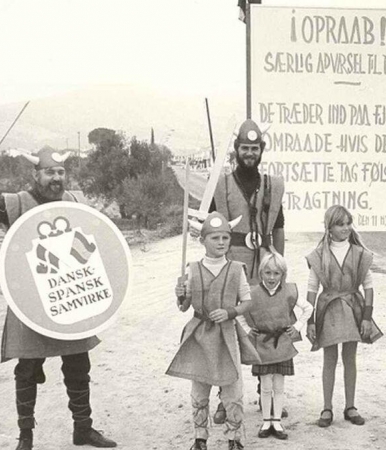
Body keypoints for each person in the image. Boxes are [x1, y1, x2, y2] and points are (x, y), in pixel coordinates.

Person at [0, 148, 117, 450]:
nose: (56, 178)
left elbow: (97, 244)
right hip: (29, 300)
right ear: (36, 174)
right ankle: (26, 437)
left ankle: (83, 429)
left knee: (78, 365)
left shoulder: (76, 203)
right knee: (28, 369)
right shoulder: (16, 203)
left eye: (60, 172)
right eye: (49, 172)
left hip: (69, 296)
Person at [211, 118, 286, 423]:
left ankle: (266, 395)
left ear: (261, 150)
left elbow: (278, 226)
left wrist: (279, 265)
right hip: (233, 264)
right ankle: (223, 399)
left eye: (255, 148)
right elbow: (215, 230)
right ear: (237, 150)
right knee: (227, 332)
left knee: (265, 328)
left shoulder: (273, 185)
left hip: (265, 263)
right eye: (245, 147)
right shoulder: (223, 184)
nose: (250, 153)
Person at [167, 211, 260, 450]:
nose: (221, 243)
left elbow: (247, 302)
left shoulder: (236, 269)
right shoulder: (193, 269)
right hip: (199, 334)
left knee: (232, 389)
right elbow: (184, 306)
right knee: (200, 387)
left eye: (225, 238)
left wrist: (230, 312)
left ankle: (234, 438)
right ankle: (200, 437)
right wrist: (180, 296)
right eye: (215, 238)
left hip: (226, 334)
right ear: (202, 240)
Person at [305, 205, 383, 428]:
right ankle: (327, 407)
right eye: (340, 224)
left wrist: (367, 317)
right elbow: (311, 288)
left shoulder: (360, 253)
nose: (346, 228)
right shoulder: (319, 254)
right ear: (329, 227)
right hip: (328, 308)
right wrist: (310, 320)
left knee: (350, 358)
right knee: (329, 359)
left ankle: (350, 406)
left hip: (353, 308)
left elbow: (368, 286)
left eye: (349, 223)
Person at [244, 252, 313, 440]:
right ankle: (266, 421)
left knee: (279, 385)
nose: (272, 277)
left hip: (282, 343)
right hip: (263, 344)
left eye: (276, 273)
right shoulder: (253, 292)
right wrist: (247, 329)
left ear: (283, 274)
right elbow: (240, 311)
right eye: (267, 273)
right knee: (265, 385)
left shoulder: (289, 291)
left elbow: (308, 308)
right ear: (261, 273)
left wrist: (297, 326)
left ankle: (277, 421)